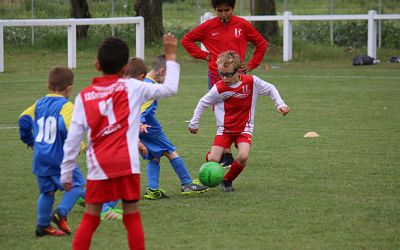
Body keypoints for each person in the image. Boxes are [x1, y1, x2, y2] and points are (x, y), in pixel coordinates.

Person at [60, 34, 180, 250]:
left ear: (97, 65)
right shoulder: (134, 87)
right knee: (132, 216)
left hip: (99, 165)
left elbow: (73, 140)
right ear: (126, 67)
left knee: (91, 217)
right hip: (127, 164)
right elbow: (169, 88)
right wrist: (170, 56)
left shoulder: (84, 96)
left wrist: (66, 172)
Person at [181, 0, 268, 167]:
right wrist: (204, 55)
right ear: (214, 10)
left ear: (233, 8)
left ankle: (236, 142)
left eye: (226, 10)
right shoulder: (208, 26)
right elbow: (187, 40)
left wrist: (251, 64)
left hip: (238, 76)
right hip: (216, 75)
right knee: (220, 109)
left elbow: (261, 44)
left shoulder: (242, 25)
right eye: (219, 10)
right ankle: (226, 152)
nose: (223, 14)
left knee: (237, 108)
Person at [188, 50, 289, 192]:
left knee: (243, 156)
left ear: (239, 70)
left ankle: (227, 180)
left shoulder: (252, 82)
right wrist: (194, 123)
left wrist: (280, 104)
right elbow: (203, 102)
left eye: (228, 74)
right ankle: (209, 162)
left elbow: (271, 88)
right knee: (213, 160)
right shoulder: (219, 88)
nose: (224, 78)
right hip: (224, 130)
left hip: (244, 129)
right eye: (221, 74)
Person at [126, 55, 209, 200]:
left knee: (154, 155)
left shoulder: (144, 82)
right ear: (162, 72)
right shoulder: (149, 87)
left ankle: (152, 188)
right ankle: (187, 183)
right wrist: (140, 124)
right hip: (148, 127)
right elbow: (140, 109)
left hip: (142, 126)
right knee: (170, 151)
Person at [18, 65, 86, 236]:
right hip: (58, 157)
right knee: (77, 184)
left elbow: (23, 119)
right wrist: (80, 146)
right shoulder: (66, 106)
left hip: (40, 156)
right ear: (69, 88)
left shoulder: (39, 103)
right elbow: (70, 128)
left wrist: (29, 140)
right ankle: (60, 213)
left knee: (47, 191)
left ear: (48, 86)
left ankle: (42, 226)